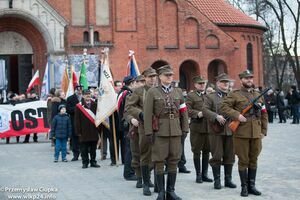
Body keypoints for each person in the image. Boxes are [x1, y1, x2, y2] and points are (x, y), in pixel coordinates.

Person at [220, 70, 268, 197]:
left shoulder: (258, 94)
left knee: (254, 159)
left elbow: (264, 114)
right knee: (243, 160)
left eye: (251, 78)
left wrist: (264, 131)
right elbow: (223, 107)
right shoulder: (234, 94)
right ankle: (244, 187)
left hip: (256, 132)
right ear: (241, 80)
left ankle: (252, 185)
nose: (249, 80)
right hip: (241, 132)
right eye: (246, 78)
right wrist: (237, 115)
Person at [144, 65, 189, 200]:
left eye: (171, 75)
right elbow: (147, 114)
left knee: (174, 160)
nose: (169, 77)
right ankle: (161, 192)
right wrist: (148, 132)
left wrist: (185, 128)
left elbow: (183, 111)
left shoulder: (178, 91)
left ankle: (171, 191)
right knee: (158, 161)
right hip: (160, 131)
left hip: (175, 130)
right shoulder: (153, 92)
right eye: (167, 75)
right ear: (160, 77)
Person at [126, 68, 157, 195]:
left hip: (154, 127)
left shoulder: (157, 91)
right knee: (138, 153)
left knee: (152, 154)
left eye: (154, 76)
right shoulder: (136, 92)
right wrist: (134, 118)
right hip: (137, 127)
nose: (153, 79)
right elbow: (127, 110)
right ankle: (140, 178)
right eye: (150, 77)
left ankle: (147, 178)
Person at [202, 73, 236, 190]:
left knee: (230, 155)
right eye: (223, 82)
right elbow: (204, 110)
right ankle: (217, 180)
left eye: (227, 82)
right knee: (216, 155)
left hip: (230, 130)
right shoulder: (210, 96)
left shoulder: (232, 96)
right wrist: (216, 116)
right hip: (215, 130)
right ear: (217, 83)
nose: (225, 84)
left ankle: (228, 180)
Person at [186, 76, 213, 184]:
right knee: (197, 151)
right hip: (197, 127)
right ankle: (198, 174)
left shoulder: (209, 96)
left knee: (207, 151)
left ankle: (205, 174)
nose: (202, 85)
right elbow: (187, 110)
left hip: (208, 128)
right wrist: (198, 114)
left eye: (203, 83)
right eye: (200, 83)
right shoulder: (190, 96)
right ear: (195, 85)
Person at [117, 75, 137, 180]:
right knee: (130, 149)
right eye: (135, 83)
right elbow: (127, 111)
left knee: (129, 148)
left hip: (124, 124)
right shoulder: (127, 94)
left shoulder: (122, 93)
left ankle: (129, 171)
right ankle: (129, 173)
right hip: (127, 124)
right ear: (132, 83)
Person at [75, 89, 100, 169]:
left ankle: (93, 162)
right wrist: (78, 131)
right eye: (86, 94)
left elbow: (98, 117)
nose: (88, 95)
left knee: (93, 148)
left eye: (89, 94)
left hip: (93, 130)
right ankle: (85, 162)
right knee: (84, 148)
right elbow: (77, 120)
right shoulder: (79, 106)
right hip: (84, 130)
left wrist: (99, 129)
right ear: (83, 95)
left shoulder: (95, 104)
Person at [66, 85, 83, 161]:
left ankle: (84, 154)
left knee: (83, 138)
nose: (79, 91)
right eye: (78, 90)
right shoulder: (70, 98)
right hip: (74, 121)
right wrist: (77, 108)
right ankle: (75, 154)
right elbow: (68, 109)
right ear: (75, 90)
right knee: (75, 138)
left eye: (80, 90)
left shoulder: (85, 98)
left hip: (84, 122)